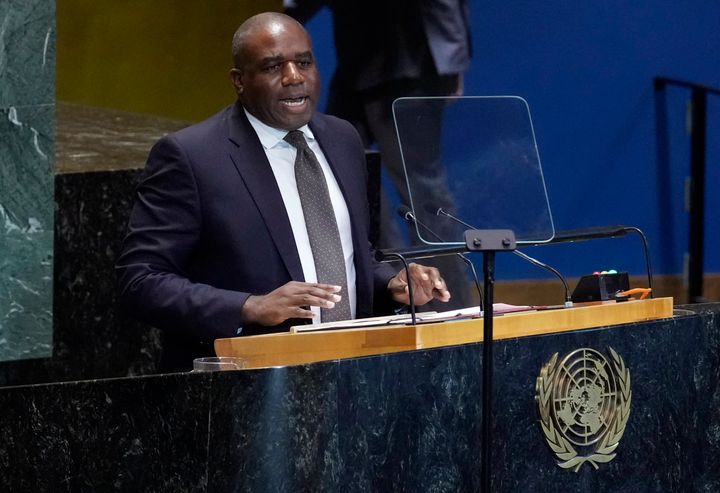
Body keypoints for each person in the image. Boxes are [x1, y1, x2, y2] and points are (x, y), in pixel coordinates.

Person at [116, 12, 451, 371]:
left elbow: (353, 256)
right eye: (273, 67)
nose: (294, 77)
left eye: (304, 62)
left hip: (353, 374)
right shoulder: (192, 157)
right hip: (244, 384)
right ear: (239, 81)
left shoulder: (343, 139)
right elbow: (140, 280)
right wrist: (249, 306)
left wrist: (391, 284)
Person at [285, 1, 475, 309]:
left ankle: (453, 307)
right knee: (348, 180)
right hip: (358, 62)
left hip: (407, 62)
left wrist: (451, 57)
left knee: (422, 189)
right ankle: (398, 284)